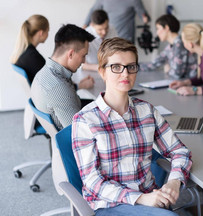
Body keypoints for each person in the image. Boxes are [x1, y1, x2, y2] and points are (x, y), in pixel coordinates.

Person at [72, 37, 192, 216]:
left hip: (149, 199)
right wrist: (139, 198)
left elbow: (180, 151)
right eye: (116, 67)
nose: (125, 74)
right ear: (102, 71)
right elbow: (92, 181)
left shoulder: (147, 111)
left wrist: (174, 181)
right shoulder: (85, 120)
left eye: (131, 67)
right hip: (110, 205)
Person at [31, 24, 96, 130]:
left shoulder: (44, 72)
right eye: (83, 55)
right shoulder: (59, 88)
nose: (84, 61)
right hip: (73, 135)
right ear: (70, 54)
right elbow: (77, 132)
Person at [83, 0, 149, 43]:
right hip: (108, 37)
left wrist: (145, 18)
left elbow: (143, 14)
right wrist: (84, 27)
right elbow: (93, 11)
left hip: (126, 39)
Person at [139, 14, 197, 79]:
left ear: (166, 28)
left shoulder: (180, 44)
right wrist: (132, 66)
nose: (157, 33)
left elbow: (177, 73)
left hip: (188, 84)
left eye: (158, 29)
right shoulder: (170, 47)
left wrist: (168, 71)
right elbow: (154, 64)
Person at [11, 14, 49, 83]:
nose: (48, 34)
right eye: (47, 31)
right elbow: (51, 82)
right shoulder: (33, 57)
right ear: (41, 33)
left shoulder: (24, 54)